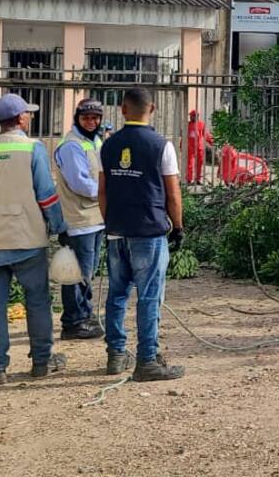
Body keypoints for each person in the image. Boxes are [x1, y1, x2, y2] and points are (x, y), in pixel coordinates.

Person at [0, 93, 70, 385]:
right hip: (27, 237)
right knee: (37, 301)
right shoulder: (32, 148)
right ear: (21, 118)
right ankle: (41, 361)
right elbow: (47, 195)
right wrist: (60, 227)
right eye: (29, 114)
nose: (30, 117)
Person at [99, 87, 185, 382]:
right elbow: (173, 192)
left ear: (122, 109)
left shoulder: (107, 146)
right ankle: (147, 360)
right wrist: (179, 226)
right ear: (154, 109)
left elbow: (102, 192)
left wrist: (110, 222)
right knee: (149, 297)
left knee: (117, 294)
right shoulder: (162, 146)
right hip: (148, 232)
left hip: (116, 231)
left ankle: (116, 354)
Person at [53, 98, 108, 340]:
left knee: (88, 271)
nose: (91, 121)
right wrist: (108, 192)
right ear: (77, 118)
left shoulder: (93, 140)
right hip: (80, 219)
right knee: (78, 273)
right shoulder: (72, 145)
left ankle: (83, 315)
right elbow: (80, 184)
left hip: (94, 217)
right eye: (86, 118)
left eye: (95, 118)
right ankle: (73, 321)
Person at [185, 109, 213, 184]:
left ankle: (197, 179)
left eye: (192, 116)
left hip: (199, 147)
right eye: (190, 116)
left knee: (199, 164)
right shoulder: (187, 125)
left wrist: (211, 141)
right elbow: (185, 136)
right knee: (190, 164)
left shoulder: (201, 124)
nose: (190, 117)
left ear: (196, 116)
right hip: (190, 147)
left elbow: (205, 134)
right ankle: (188, 179)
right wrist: (182, 145)